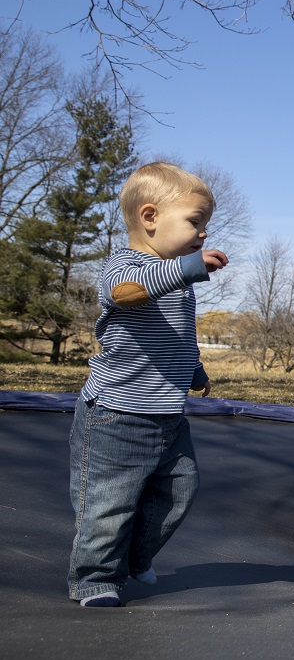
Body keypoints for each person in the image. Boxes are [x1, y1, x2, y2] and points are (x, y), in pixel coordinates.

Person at [68, 162, 229, 607]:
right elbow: (127, 295)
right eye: (195, 223)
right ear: (151, 217)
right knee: (108, 506)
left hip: (168, 416)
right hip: (117, 414)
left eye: (204, 226)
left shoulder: (178, 281)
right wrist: (187, 269)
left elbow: (176, 333)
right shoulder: (124, 266)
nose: (202, 234)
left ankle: (135, 557)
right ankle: (95, 579)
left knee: (180, 491)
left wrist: (193, 368)